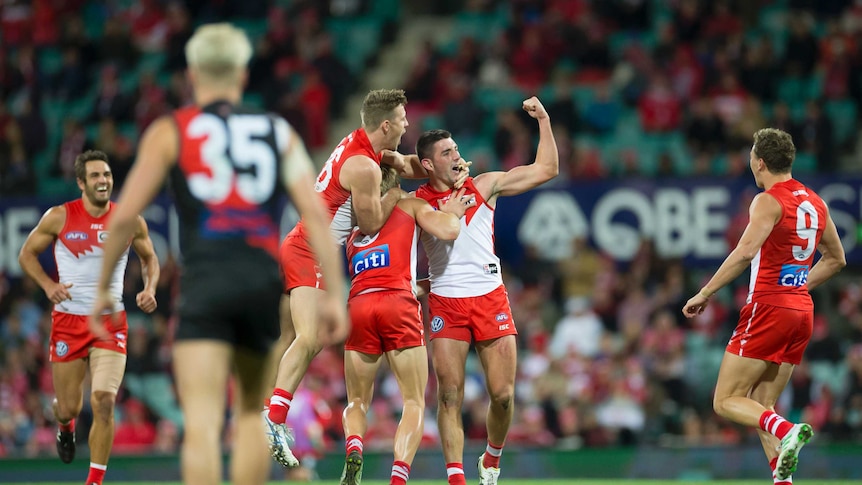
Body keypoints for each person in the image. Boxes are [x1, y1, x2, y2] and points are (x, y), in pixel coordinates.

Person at [90, 23, 347, 485]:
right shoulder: (278, 132)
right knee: (251, 414)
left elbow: (123, 217)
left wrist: (101, 294)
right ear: (243, 75)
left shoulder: (171, 131)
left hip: (206, 281)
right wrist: (334, 295)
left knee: (204, 424)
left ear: (191, 74)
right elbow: (315, 217)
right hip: (261, 282)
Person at [264, 88, 436, 468]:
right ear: (386, 124)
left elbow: (407, 163)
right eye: (404, 120)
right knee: (310, 338)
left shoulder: (364, 149)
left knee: (296, 337)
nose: (408, 125)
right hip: (310, 249)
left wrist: (440, 165)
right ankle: (273, 419)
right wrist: (400, 197)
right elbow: (372, 222)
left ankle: (271, 413)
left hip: (304, 244)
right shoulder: (364, 166)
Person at [682, 128, 846, 484]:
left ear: (759, 162)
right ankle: (782, 480)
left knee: (725, 400)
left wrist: (705, 292)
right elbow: (837, 259)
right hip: (802, 311)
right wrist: (800, 285)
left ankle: (787, 429)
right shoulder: (816, 202)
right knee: (760, 406)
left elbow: (745, 252)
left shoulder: (768, 200)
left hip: (769, 307)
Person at [414, 96, 558, 485]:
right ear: (428, 164)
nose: (458, 156)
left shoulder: (484, 185)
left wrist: (543, 120)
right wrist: (414, 285)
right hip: (447, 300)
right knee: (448, 396)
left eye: (457, 149)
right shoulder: (417, 203)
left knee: (503, 396)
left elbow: (547, 169)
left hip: (489, 296)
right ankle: (456, 477)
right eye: (447, 152)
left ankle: (491, 459)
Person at [18, 149, 159, 485]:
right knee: (67, 408)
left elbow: (150, 258)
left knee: (104, 401)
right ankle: (65, 428)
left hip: (111, 322)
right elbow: (26, 254)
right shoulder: (59, 217)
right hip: (68, 322)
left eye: (107, 175)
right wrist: (48, 285)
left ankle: (94, 481)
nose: (103, 180)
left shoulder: (129, 220)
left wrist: (150, 288)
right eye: (95, 175)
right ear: (81, 182)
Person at [341, 167, 475, 485]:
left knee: (356, 401)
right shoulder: (408, 205)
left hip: (359, 304)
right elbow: (447, 230)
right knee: (413, 400)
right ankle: (399, 477)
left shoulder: (354, 234)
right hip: (398, 304)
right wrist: (452, 213)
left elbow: (381, 267)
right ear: (395, 187)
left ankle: (353, 446)